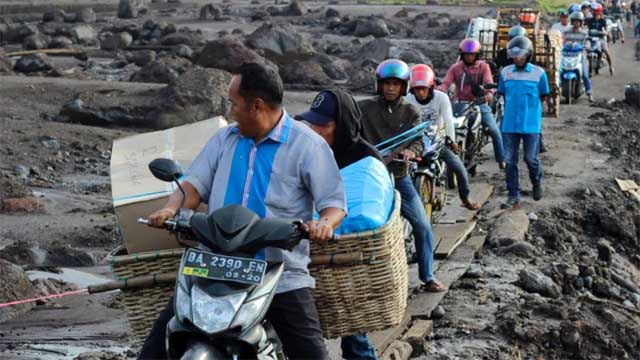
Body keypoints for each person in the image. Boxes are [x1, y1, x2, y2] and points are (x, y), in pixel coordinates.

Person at [138, 63, 348, 360]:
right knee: (155, 351)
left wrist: (324, 224)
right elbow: (193, 186)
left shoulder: (308, 145)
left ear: (256, 106)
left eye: (234, 104)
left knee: (311, 354)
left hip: (277, 273)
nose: (230, 111)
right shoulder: (225, 139)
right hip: (213, 267)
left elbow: (334, 203)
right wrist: (171, 209)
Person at [296, 88, 381, 360]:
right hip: (303, 247)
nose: (317, 130)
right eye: (313, 123)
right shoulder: (306, 149)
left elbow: (367, 211)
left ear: (343, 125)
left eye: (326, 125)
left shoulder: (365, 158)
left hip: (342, 253)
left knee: (354, 333)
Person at [359, 59, 445, 293]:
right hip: (370, 178)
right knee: (362, 226)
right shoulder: (364, 109)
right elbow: (351, 133)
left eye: (396, 84)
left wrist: (411, 151)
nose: (390, 88)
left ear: (404, 86)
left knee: (422, 225)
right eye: (386, 83)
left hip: (399, 177)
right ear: (379, 84)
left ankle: (427, 275)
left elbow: (418, 139)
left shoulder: (411, 112)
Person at [405, 64, 480, 211]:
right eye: (417, 89)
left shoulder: (442, 98)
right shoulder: (408, 99)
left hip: (437, 140)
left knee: (459, 169)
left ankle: (465, 198)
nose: (420, 93)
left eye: (423, 89)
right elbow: (404, 122)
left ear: (431, 87)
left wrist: (450, 140)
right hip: (416, 141)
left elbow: (448, 121)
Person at [498, 36, 550, 209]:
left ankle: (536, 181)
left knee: (530, 159)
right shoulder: (505, 72)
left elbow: (543, 94)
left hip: (530, 124)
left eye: (520, 56)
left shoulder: (539, 74)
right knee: (510, 161)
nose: (517, 59)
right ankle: (513, 195)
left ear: (528, 55)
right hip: (509, 124)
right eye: (514, 56)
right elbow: (503, 94)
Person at [438, 39, 506, 170]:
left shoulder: (483, 67)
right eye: (466, 54)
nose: (469, 56)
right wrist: (439, 91)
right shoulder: (455, 68)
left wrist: (488, 94)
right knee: (442, 127)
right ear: (462, 54)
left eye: (472, 54)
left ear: (477, 55)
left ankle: (501, 158)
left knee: (494, 130)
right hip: (458, 103)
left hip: (478, 103)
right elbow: (446, 83)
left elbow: (488, 82)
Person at [564, 11, 595, 102]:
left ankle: (589, 93)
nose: (576, 23)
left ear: (581, 22)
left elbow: (588, 43)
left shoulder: (584, 33)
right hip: (567, 56)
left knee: (585, 75)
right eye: (574, 21)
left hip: (580, 56)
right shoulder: (567, 32)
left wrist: (586, 46)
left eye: (578, 21)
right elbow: (562, 41)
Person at [586, 3, 615, 74]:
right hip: (590, 38)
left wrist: (606, 32)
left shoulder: (602, 21)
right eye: (591, 10)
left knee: (606, 51)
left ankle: (610, 66)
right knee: (584, 50)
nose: (591, 11)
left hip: (600, 38)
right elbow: (585, 28)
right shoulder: (589, 20)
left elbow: (606, 29)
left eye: (593, 10)